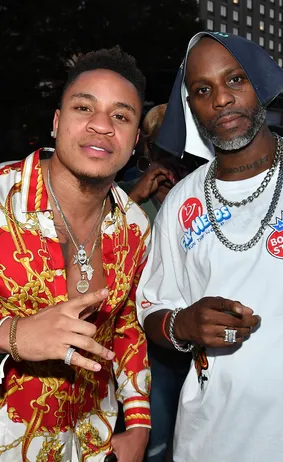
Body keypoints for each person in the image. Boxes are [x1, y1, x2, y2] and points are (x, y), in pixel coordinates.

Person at [136, 31, 283, 462]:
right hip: (210, 441)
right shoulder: (181, 201)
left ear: (258, 82)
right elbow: (151, 309)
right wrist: (182, 326)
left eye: (235, 80)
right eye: (203, 90)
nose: (221, 99)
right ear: (191, 106)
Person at [0, 46, 151, 461]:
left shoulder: (135, 226)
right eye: (84, 107)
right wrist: (11, 334)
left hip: (92, 443)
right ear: (56, 122)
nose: (101, 125)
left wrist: (137, 424)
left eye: (120, 116)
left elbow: (127, 327)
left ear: (135, 139)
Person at [119, 104, 208, 462]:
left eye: (182, 154)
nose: (172, 165)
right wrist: (134, 199)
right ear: (148, 151)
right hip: (140, 346)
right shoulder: (123, 194)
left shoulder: (202, 196)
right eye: (162, 151)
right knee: (154, 441)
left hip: (194, 341)